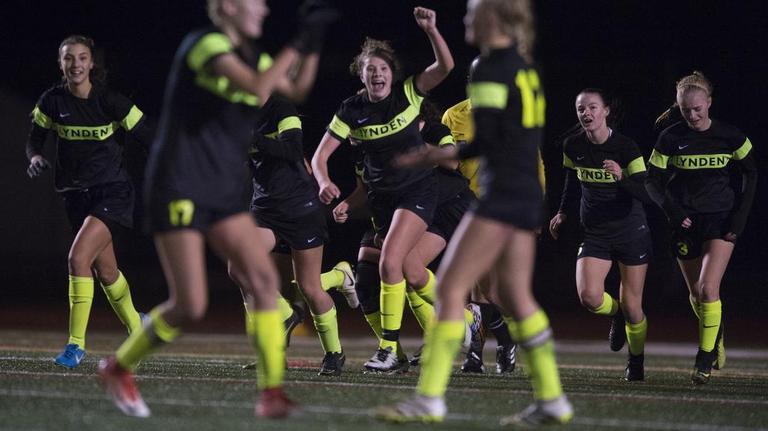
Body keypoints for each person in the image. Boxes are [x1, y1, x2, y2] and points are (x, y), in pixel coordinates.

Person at [98, 0, 336, 418]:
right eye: (255, 2)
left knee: (262, 279)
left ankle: (271, 393)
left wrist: (312, 44)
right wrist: (297, 41)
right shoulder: (204, 44)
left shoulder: (254, 57)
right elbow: (256, 86)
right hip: (179, 183)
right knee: (190, 304)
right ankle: (119, 366)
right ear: (227, 6)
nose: (264, 9)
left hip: (221, 187)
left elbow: (293, 89)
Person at [375, 0, 573, 425]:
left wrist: (434, 155)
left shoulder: (488, 67)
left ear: (494, 18)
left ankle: (428, 399)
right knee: (517, 298)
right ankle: (553, 398)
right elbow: (521, 138)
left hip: (500, 195)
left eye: (472, 12)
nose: (466, 19)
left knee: (449, 289)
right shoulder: (523, 66)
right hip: (525, 195)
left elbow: (490, 143)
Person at [312, 6, 455, 372]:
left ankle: (389, 349)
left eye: (382, 68)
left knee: (392, 263)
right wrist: (325, 181)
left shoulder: (409, 93)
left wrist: (432, 30)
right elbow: (319, 158)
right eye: (369, 69)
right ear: (361, 75)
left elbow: (445, 67)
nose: (377, 73)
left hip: (418, 194)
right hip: (381, 202)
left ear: (392, 73)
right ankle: (455, 320)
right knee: (383, 273)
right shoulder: (350, 110)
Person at [26, 35, 152, 369]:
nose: (76, 64)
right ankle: (138, 327)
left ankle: (75, 347)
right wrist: (36, 157)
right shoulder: (52, 102)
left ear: (92, 63)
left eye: (82, 58)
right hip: (75, 196)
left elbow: (149, 138)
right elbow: (34, 141)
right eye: (69, 58)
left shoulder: (111, 102)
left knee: (78, 258)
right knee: (106, 270)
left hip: (112, 192)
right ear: (61, 63)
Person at [332, 101, 480, 370]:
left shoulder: (432, 131)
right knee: (384, 275)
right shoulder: (369, 148)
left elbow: (452, 159)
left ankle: (404, 343)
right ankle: (458, 323)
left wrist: (415, 150)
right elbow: (365, 189)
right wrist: (346, 204)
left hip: (448, 206)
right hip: (399, 212)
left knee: (403, 266)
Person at [231, 93, 355, 376]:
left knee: (309, 287)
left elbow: (292, 149)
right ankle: (283, 323)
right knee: (239, 266)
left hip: (300, 207)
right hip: (264, 208)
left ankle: (334, 353)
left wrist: (252, 139)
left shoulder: (280, 108)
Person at [646, 71, 757, 385]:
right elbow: (652, 180)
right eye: (685, 110)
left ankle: (704, 358)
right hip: (686, 222)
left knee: (709, 289)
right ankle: (716, 335)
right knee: (697, 294)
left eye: (698, 108)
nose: (692, 115)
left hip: (720, 221)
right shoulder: (670, 138)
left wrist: (739, 219)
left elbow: (751, 174)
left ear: (709, 102)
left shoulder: (730, 136)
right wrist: (673, 209)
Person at [549, 89, 652, 381]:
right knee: (590, 297)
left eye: (592, 107)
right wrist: (562, 212)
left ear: (606, 111)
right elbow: (571, 183)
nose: (586, 113)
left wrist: (622, 177)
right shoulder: (573, 146)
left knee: (635, 306)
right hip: (595, 233)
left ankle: (636, 361)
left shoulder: (626, 148)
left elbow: (646, 192)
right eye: (581, 108)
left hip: (631, 231)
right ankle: (615, 313)